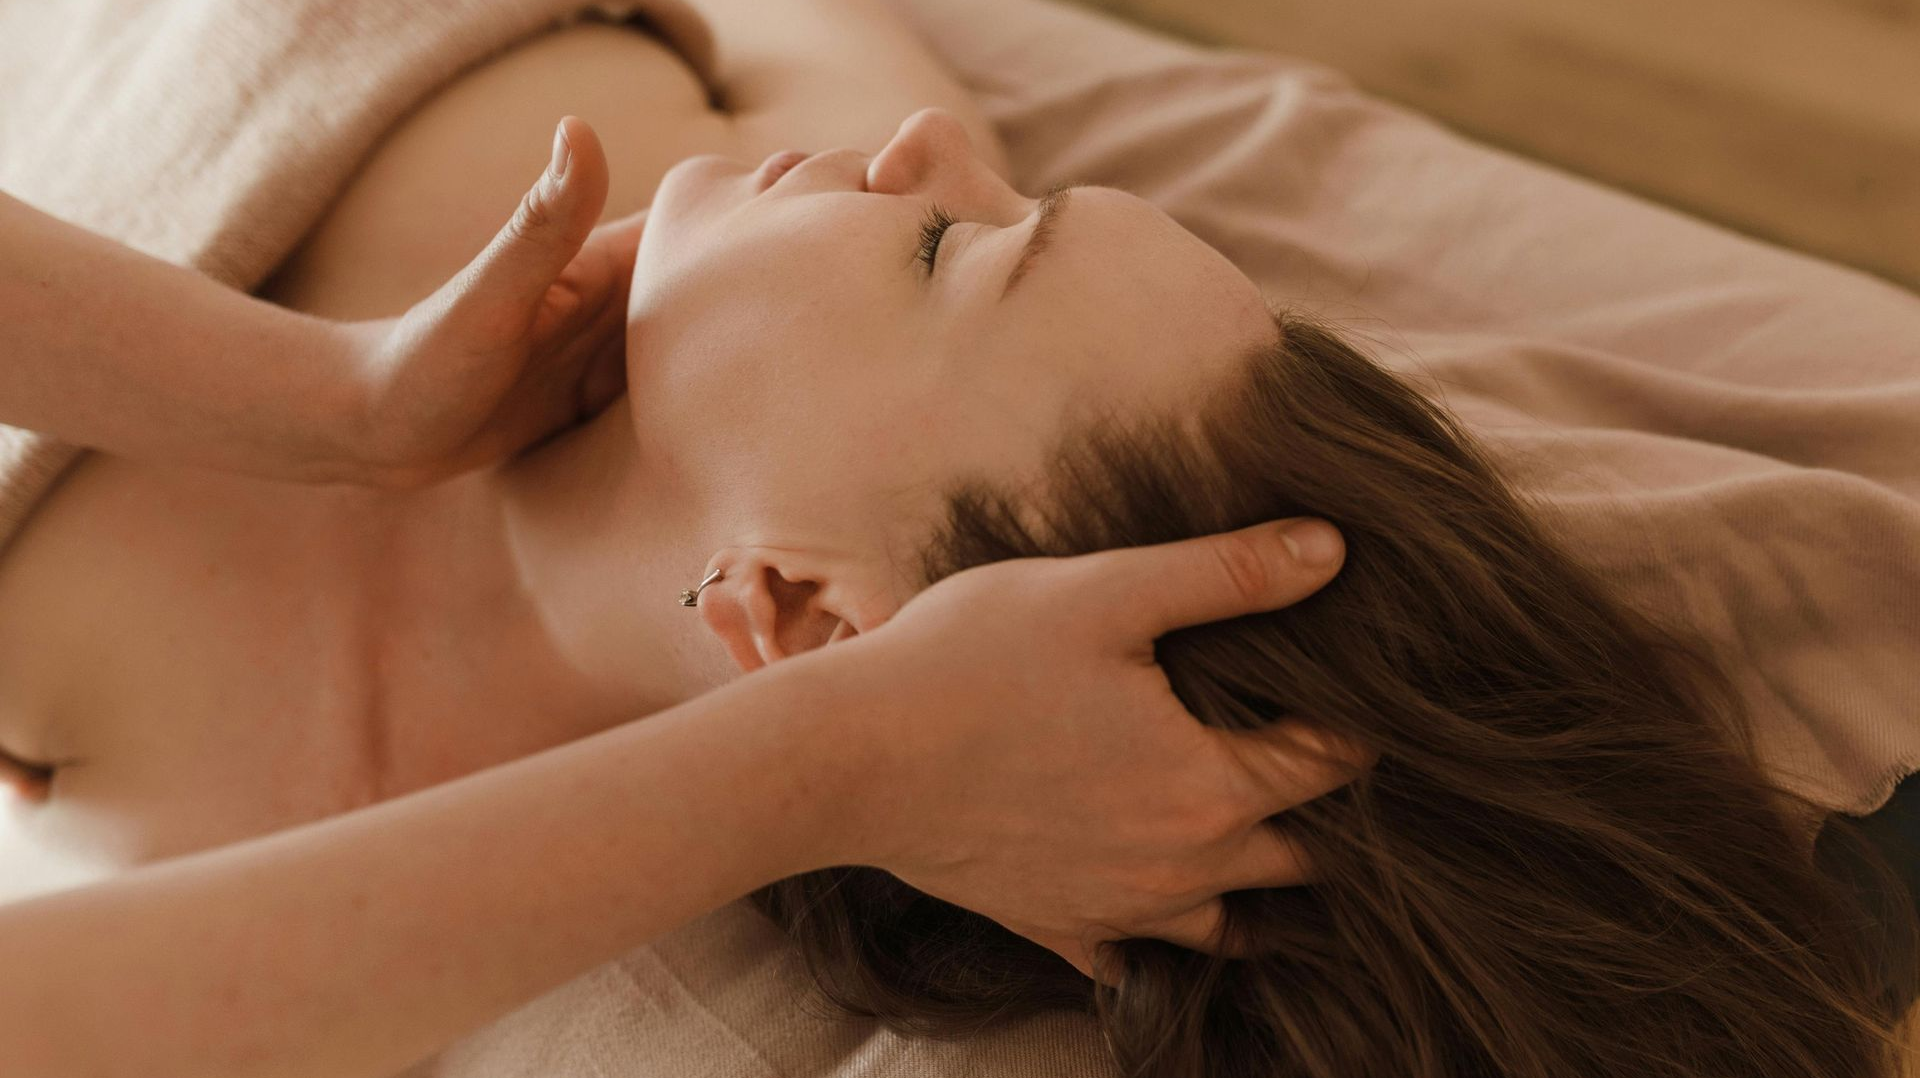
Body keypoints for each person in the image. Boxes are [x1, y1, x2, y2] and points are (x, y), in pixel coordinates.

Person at [0, 3, 1909, 1077]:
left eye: (950, 249)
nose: (931, 154)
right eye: (1012, 206)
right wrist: (320, 395)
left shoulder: (201, 787)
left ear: (808, 611)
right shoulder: (723, 199)